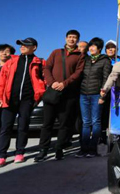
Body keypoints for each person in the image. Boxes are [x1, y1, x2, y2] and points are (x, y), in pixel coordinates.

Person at [0, 38, 46, 167]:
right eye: (21, 45)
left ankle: (19, 153)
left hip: (27, 100)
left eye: (26, 45)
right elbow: (1, 81)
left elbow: (43, 80)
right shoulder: (11, 61)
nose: (22, 47)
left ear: (34, 47)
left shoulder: (39, 62)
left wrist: (38, 97)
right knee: (5, 127)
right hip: (9, 99)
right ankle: (1, 155)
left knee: (23, 127)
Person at [35, 30, 85, 162]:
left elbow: (78, 73)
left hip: (68, 94)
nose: (72, 39)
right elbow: (46, 68)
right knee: (47, 123)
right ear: (65, 38)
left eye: (74, 38)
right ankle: (43, 150)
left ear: (78, 40)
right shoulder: (56, 52)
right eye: (69, 37)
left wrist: (64, 83)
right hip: (53, 92)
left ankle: (59, 148)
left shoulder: (80, 55)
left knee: (64, 123)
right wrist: (52, 83)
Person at [76, 37, 112, 158]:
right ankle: (83, 149)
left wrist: (103, 94)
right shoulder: (85, 59)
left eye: (94, 46)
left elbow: (106, 77)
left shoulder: (105, 60)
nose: (91, 48)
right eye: (90, 46)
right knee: (86, 122)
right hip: (83, 94)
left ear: (100, 48)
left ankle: (92, 149)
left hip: (97, 94)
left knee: (96, 121)